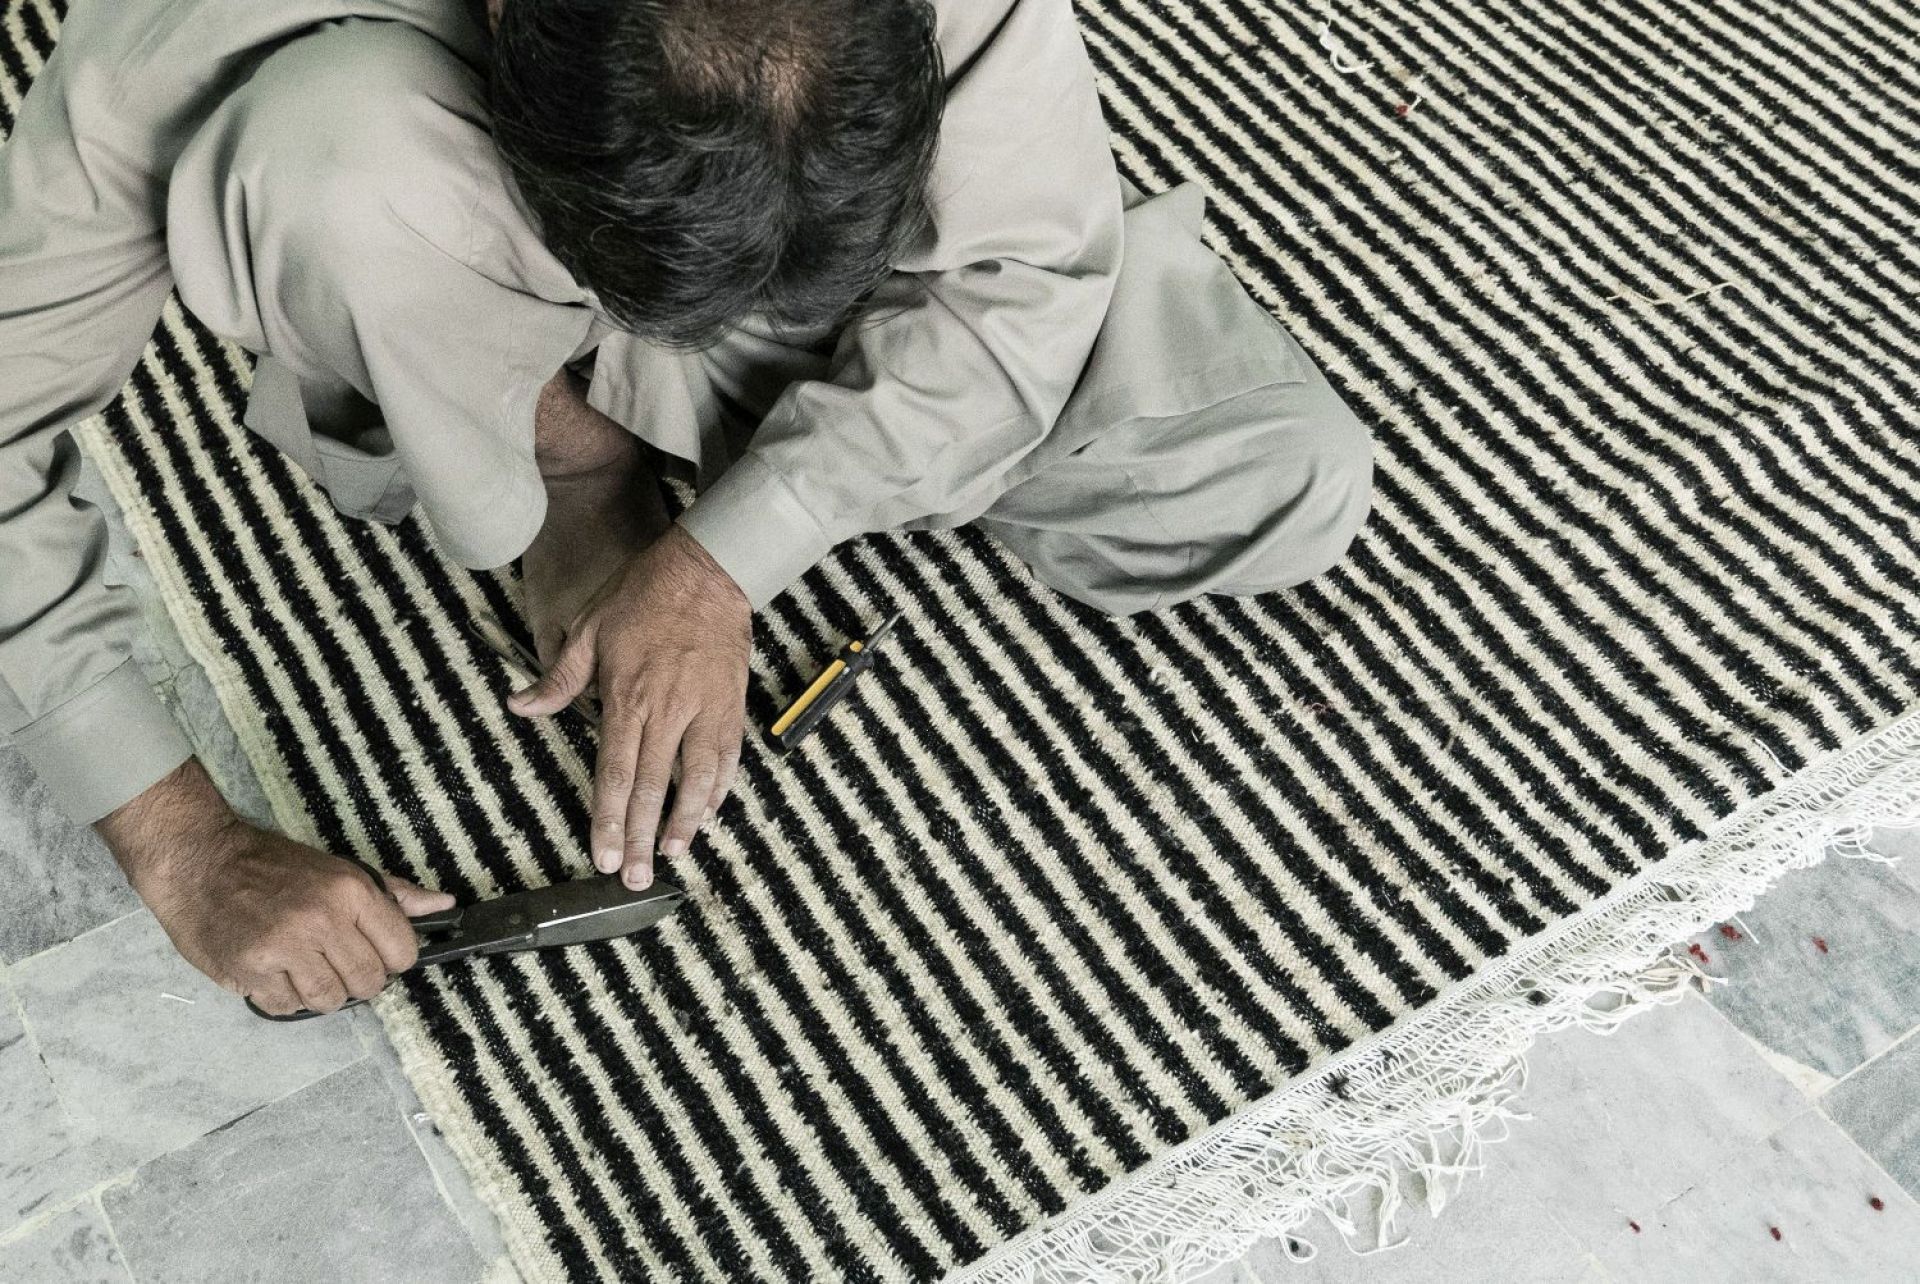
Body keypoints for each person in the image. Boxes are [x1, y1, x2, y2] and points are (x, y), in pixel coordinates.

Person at [0, 0, 1372, 1017]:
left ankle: (747, 407)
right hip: (480, 260)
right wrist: (182, 846)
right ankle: (563, 473)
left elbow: (1021, 274)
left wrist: (733, 556)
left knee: (1275, 480)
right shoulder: (184, 19)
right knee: (328, 153)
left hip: (810, 271)